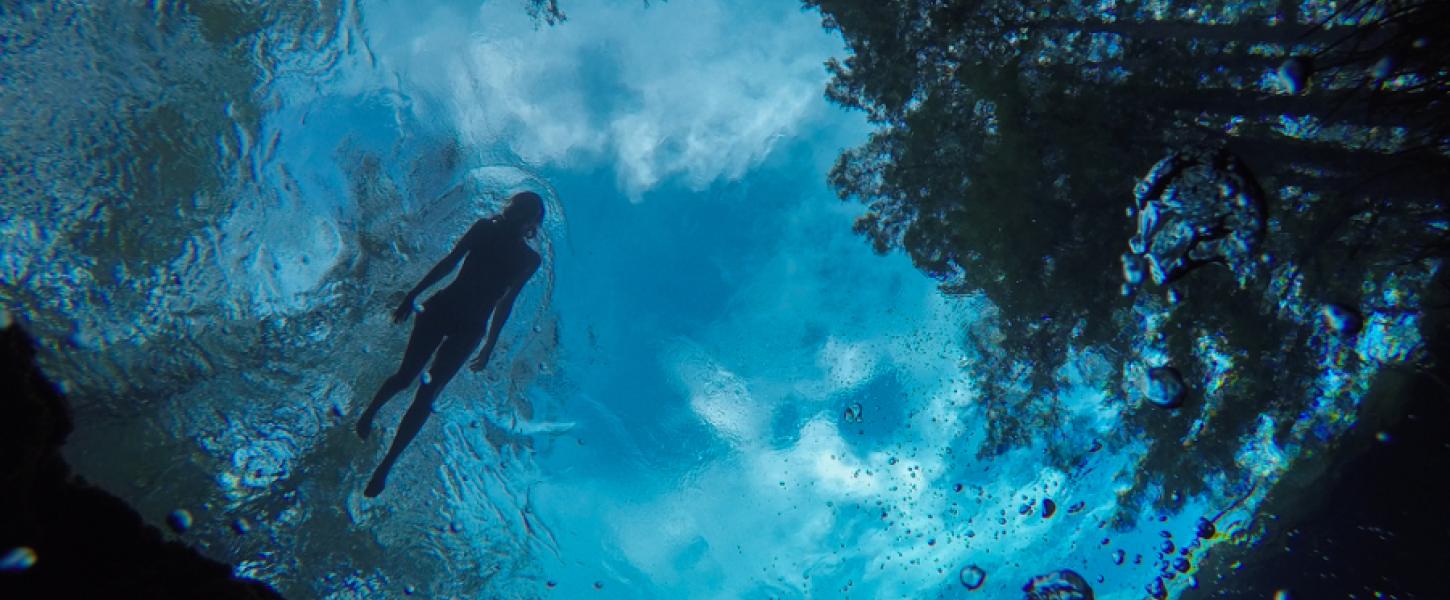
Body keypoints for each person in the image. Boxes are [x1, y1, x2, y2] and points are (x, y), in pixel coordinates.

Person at [357, 191, 545, 497]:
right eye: (519, 210)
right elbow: (450, 263)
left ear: (531, 223)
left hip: (470, 329)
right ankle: (370, 413)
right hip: (441, 309)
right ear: (513, 211)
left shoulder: (528, 259)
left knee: (427, 394)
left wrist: (488, 345)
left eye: (527, 215)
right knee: (406, 377)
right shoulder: (485, 229)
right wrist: (413, 294)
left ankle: (386, 465)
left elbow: (506, 304)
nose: (520, 217)